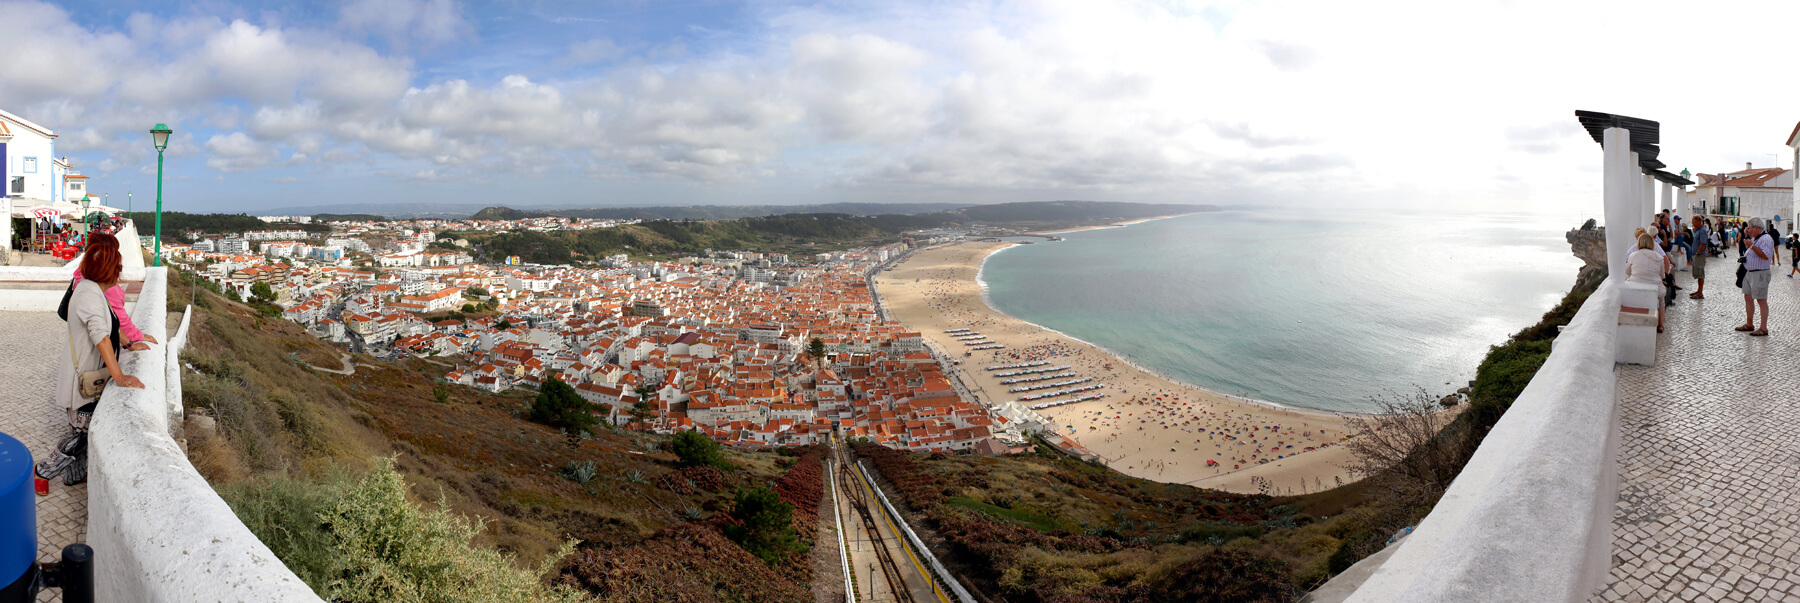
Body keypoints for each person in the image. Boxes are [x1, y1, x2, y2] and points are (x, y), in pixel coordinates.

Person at [35, 240, 149, 492]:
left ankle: (74, 476)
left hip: (90, 379)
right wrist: (120, 377)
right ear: (108, 270)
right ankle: (42, 471)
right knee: (78, 436)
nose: (120, 271)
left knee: (82, 433)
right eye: (117, 266)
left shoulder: (93, 290)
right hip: (83, 383)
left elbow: (110, 326)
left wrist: (131, 345)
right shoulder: (88, 294)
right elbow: (101, 336)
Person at [1737, 217, 1775, 337]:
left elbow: (1765, 256)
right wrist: (1747, 235)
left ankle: (1763, 328)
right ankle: (1749, 324)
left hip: (1760, 273)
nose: (1749, 230)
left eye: (1750, 227)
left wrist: (1751, 246)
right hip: (1750, 272)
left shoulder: (1766, 239)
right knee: (1747, 298)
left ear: (1756, 227)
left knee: (1761, 300)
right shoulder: (1756, 237)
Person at [1626, 233, 1666, 333]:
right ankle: (1660, 325)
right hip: (1654, 288)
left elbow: (1627, 272)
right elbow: (1662, 276)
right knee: (1661, 301)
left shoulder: (1633, 255)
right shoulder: (1659, 257)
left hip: (1636, 285)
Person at [1690, 216, 1710, 299]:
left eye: (1693, 222)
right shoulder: (1698, 230)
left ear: (1698, 221)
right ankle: (1698, 291)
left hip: (1700, 255)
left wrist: (1698, 253)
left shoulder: (1702, 231)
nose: (1692, 223)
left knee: (1700, 274)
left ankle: (1700, 293)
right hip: (1697, 254)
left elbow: (1703, 243)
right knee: (1698, 274)